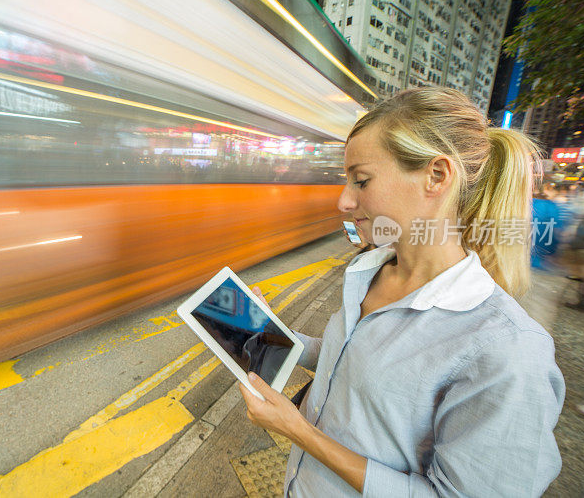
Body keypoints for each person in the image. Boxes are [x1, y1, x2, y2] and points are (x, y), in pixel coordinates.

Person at [239, 87, 565, 497]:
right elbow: (353, 357)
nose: (344, 200)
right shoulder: (367, 271)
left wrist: (298, 431)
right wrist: (272, 332)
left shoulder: (508, 350)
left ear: (436, 176)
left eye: (361, 180)